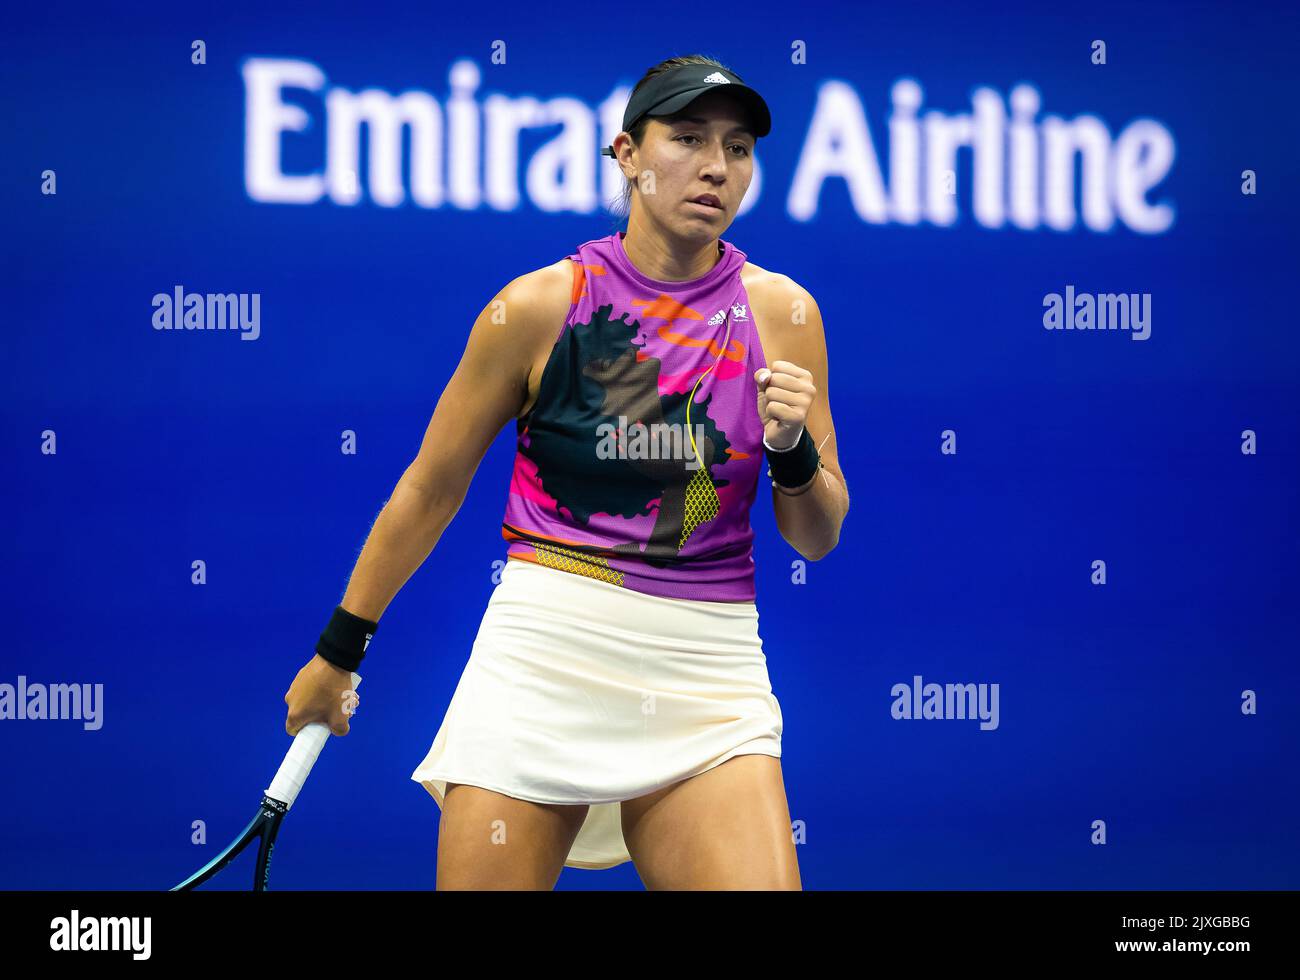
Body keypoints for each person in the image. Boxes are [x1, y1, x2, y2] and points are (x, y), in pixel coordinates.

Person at [284, 53, 849, 890]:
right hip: (543, 654)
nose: (715, 167)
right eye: (688, 139)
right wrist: (339, 651)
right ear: (627, 154)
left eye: (737, 149)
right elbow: (430, 489)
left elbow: (818, 534)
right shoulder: (538, 307)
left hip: (707, 670)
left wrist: (791, 450)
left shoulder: (784, 314)